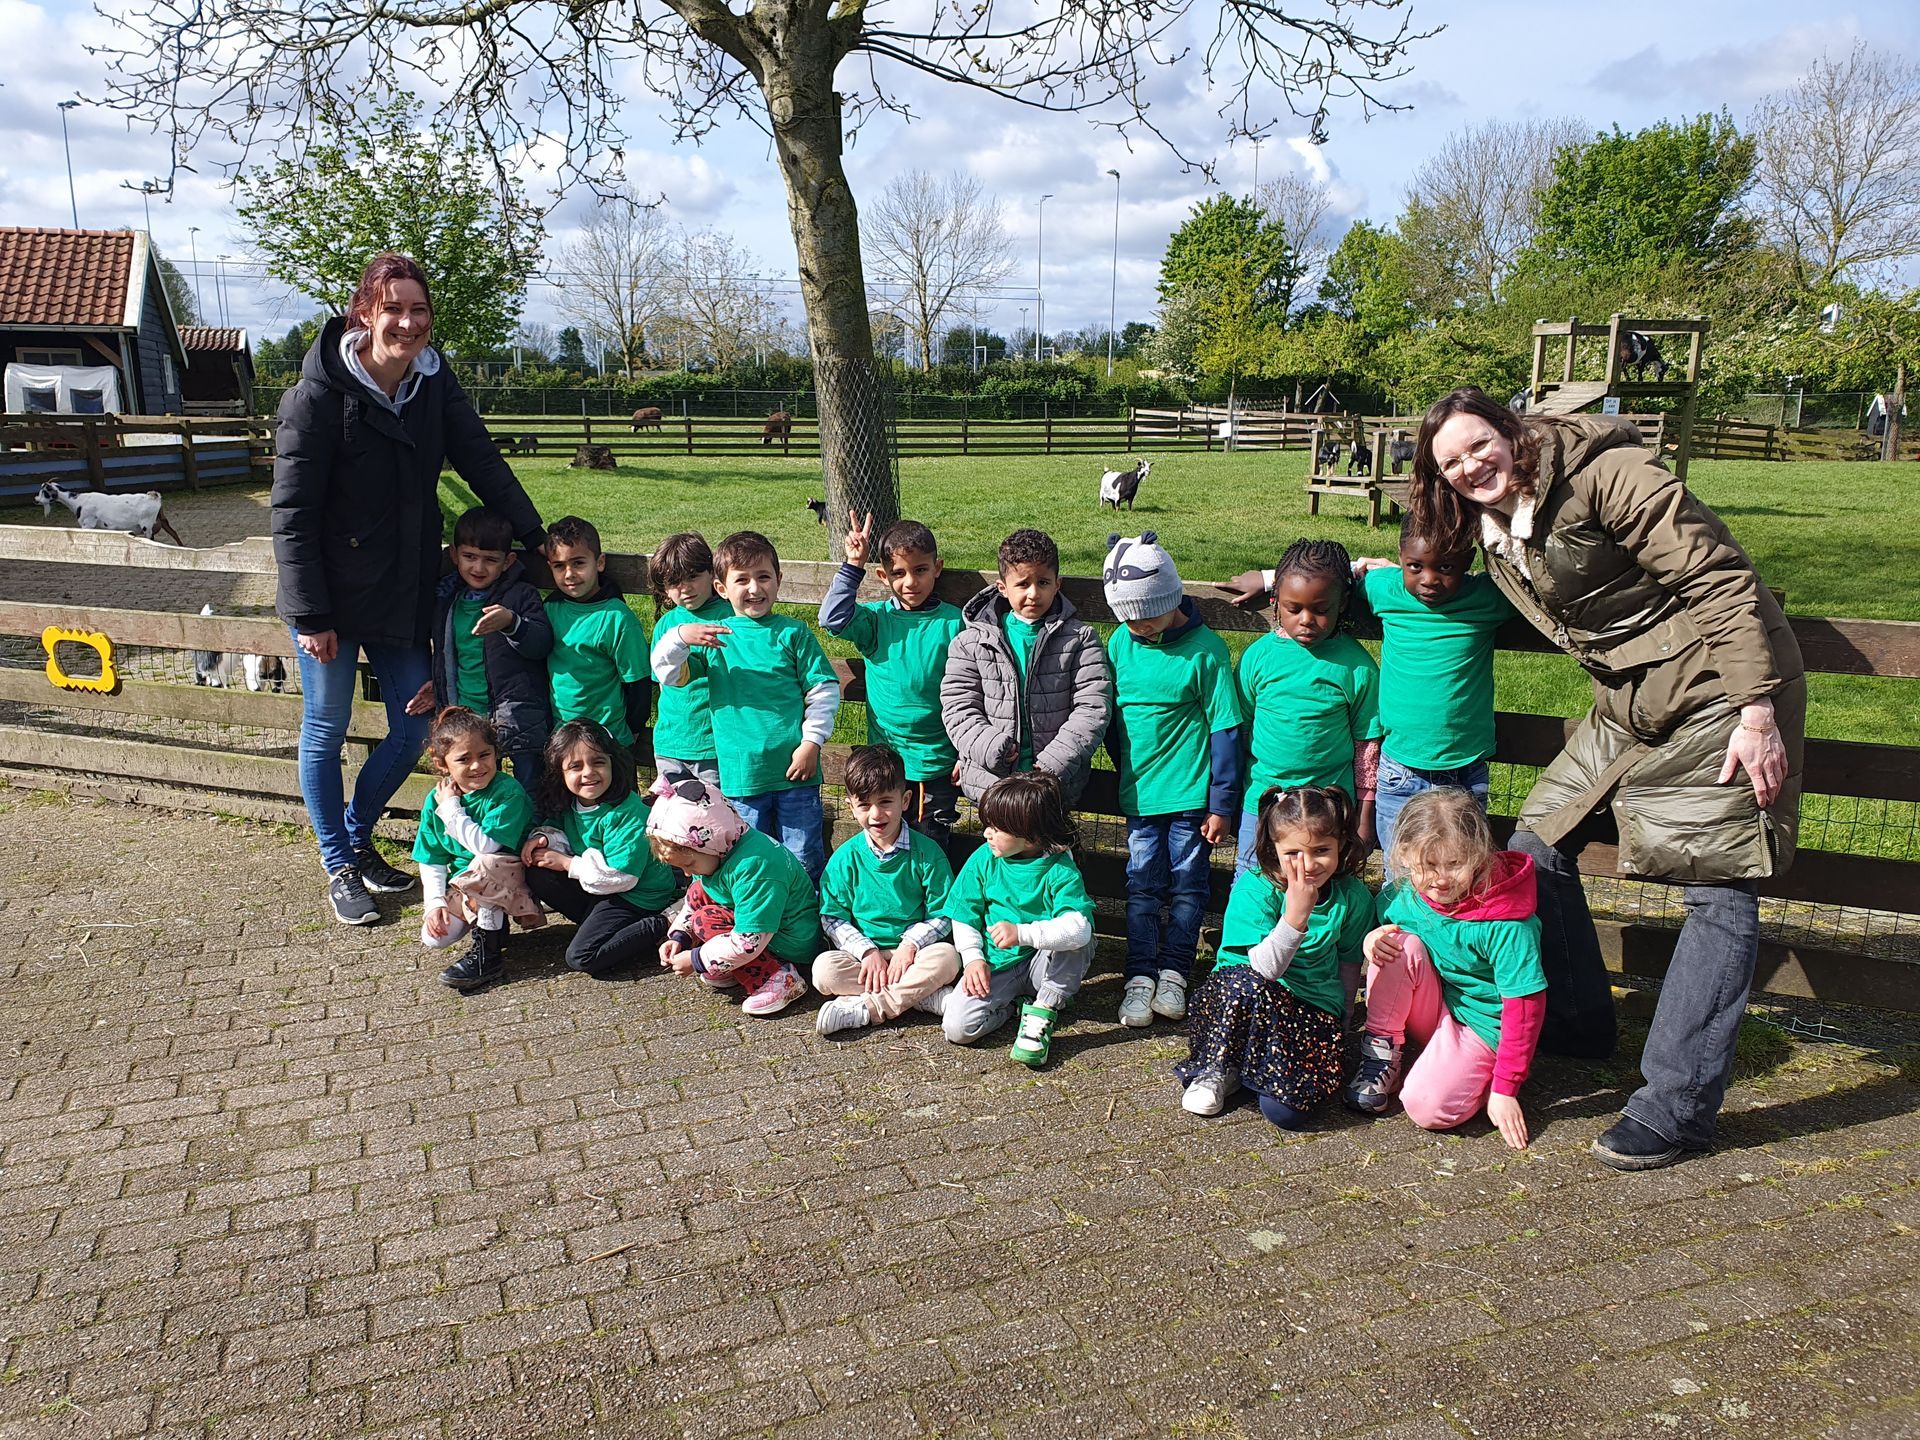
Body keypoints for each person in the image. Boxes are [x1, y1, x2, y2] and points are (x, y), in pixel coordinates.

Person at [1408, 387, 1804, 1171]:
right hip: (1627, 701)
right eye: (1451, 462)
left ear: (1510, 430)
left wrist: (1755, 708)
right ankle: (1580, 1026)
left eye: (1478, 445)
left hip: (1717, 689)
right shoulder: (1495, 519)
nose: (1470, 466)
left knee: (1719, 887)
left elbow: (1719, 579)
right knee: (1533, 848)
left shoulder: (1609, 474)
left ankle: (1677, 1107)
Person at [272, 252, 545, 926]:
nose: (408, 321)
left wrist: (533, 534)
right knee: (325, 728)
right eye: (393, 308)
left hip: (400, 588)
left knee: (414, 724)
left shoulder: (431, 380)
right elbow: (293, 512)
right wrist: (309, 609)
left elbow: (478, 454)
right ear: (363, 312)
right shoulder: (317, 397)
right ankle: (338, 860)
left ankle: (356, 834)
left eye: (419, 310)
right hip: (330, 596)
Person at [1350, 789, 1546, 1150]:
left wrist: (1505, 1087)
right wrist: (1371, 939)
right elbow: (1385, 923)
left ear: (1480, 854)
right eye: (1428, 866)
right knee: (1397, 943)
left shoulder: (1510, 924)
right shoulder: (1404, 894)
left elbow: (1525, 1007)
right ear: (1406, 857)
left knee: (1426, 1108)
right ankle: (1382, 1054)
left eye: (1455, 864)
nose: (1440, 879)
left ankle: (1482, 1075)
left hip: (1484, 1027)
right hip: (1437, 1009)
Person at [1101, 532, 1242, 1030]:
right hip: (1141, 795)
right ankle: (1138, 975)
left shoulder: (1206, 653)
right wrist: (1124, 771)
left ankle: (1175, 972)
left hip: (1189, 799)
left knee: (1187, 888)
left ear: (1172, 600)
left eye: (1145, 615)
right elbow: (1113, 720)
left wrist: (1222, 803)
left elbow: (1225, 729)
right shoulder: (1121, 643)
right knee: (1141, 888)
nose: (1135, 625)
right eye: (1126, 617)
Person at [1174, 785, 1373, 1130]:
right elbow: (1265, 969)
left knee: (1287, 1113)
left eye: (1322, 850)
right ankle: (1219, 1065)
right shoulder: (1256, 890)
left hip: (1309, 1011)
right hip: (1246, 1004)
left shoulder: (1352, 897)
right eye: (1293, 852)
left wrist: (1343, 1022)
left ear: (1341, 844)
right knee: (1243, 981)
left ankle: (1253, 1066)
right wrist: (1295, 917)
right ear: (1274, 849)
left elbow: (1349, 963)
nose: (1308, 864)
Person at [653, 530, 840, 882]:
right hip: (740, 777)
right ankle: (750, 921)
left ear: (778, 580)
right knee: (743, 857)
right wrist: (680, 637)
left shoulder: (793, 633)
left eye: (763, 577)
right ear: (723, 588)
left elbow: (823, 689)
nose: (754, 589)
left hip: (795, 771)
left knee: (803, 856)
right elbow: (669, 674)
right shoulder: (714, 635)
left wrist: (811, 742)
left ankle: (802, 926)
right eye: (742, 580)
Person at [1355, 510, 1516, 861]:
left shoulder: (1488, 597)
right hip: (1401, 769)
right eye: (1415, 566)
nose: (1429, 579)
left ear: (1468, 561)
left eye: (1445, 568)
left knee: (1463, 873)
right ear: (1401, 558)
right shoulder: (1385, 588)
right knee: (1399, 874)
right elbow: (1327, 582)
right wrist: (1268, 580)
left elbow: (1540, 585)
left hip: (1465, 771)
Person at [1234, 539, 1382, 880]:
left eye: (1320, 609)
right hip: (1262, 803)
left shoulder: (1355, 667)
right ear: (1276, 602)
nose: (1306, 620)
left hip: (1329, 810)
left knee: (1326, 893)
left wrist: (1364, 815)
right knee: (1252, 885)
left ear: (1342, 603)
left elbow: (1367, 748)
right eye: (1293, 608)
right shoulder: (1258, 659)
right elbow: (1241, 727)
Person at [818, 515, 966, 851]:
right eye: (898, 573)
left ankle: (930, 903)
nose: (910, 581)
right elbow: (832, 618)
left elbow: (973, 688)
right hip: (886, 762)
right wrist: (854, 564)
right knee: (885, 843)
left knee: (931, 844)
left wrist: (966, 753)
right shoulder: (875, 622)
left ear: (937, 567)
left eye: (920, 570)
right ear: (883, 576)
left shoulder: (954, 623)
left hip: (936, 762)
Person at [941, 528, 1111, 806]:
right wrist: (992, 747)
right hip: (993, 783)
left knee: (1047, 849)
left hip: (1053, 784)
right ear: (1002, 587)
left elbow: (1093, 707)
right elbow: (958, 706)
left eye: (1043, 582)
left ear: (1058, 584)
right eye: (1022, 584)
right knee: (1001, 848)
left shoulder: (1080, 639)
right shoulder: (971, 642)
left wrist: (1053, 764)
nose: (1033, 593)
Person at [938, 772, 1096, 1067]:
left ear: (1031, 836)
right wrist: (972, 959)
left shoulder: (1060, 869)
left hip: (1043, 966)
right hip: (997, 964)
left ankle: (1043, 1009)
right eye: (988, 825)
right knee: (957, 1028)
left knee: (1079, 937)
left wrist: (1022, 933)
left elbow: (1078, 929)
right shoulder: (984, 858)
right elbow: (963, 914)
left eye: (997, 828)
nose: (987, 833)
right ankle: (1013, 1008)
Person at [811, 745, 963, 1036]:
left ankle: (867, 1009)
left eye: (885, 802)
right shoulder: (845, 859)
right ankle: (919, 996)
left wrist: (910, 946)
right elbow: (832, 917)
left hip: (914, 955)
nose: (876, 814)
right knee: (824, 971)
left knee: (947, 958)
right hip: (863, 958)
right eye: (865, 805)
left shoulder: (927, 853)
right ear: (850, 806)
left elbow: (944, 913)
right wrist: (867, 952)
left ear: (905, 800)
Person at [646, 776, 818, 1018]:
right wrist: (680, 936)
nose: (687, 872)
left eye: (689, 864)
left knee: (706, 920)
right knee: (699, 894)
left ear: (711, 841)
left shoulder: (756, 867)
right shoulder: (720, 852)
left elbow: (751, 939)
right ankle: (738, 967)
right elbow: (695, 899)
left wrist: (698, 959)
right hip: (767, 929)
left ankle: (780, 979)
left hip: (789, 941)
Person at [521, 720, 679, 978]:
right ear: (560, 773)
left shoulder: (627, 812)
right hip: (602, 887)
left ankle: (662, 923)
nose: (588, 773)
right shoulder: (573, 802)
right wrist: (544, 838)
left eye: (598, 762)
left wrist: (566, 863)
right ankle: (603, 927)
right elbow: (558, 826)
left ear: (612, 764)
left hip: (638, 895)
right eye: (575, 766)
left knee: (582, 957)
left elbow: (620, 877)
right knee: (538, 871)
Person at [414, 505, 554, 792]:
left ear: (507, 561)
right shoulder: (446, 599)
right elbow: (447, 653)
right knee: (474, 783)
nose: (478, 568)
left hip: (513, 714)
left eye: (490, 560)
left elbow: (541, 643)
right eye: (469, 557)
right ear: (454, 555)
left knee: (530, 785)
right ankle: (480, 835)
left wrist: (513, 623)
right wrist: (438, 686)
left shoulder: (520, 595)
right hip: (463, 710)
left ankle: (533, 833)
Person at [412, 707, 541, 992]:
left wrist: (451, 808)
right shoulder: (435, 801)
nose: (476, 766)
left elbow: (486, 845)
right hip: (467, 883)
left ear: (495, 753)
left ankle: (488, 957)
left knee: (485, 862)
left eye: (484, 755)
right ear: (442, 763)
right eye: (463, 759)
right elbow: (431, 857)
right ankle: (493, 924)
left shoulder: (507, 791)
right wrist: (435, 903)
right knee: (435, 937)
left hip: (517, 876)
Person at [543, 515, 652, 756]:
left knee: (618, 795)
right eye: (559, 566)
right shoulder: (549, 610)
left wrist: (633, 729)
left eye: (578, 563)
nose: (569, 574)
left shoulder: (617, 618)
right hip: (561, 740)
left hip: (610, 741)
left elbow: (637, 682)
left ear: (599, 562)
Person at [646, 531, 730, 791]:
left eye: (693, 577)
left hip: (713, 745)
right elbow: (661, 681)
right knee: (676, 823)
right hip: (671, 743)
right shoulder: (666, 625)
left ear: (712, 573)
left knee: (716, 818)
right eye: (674, 583)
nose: (685, 588)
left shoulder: (730, 617)